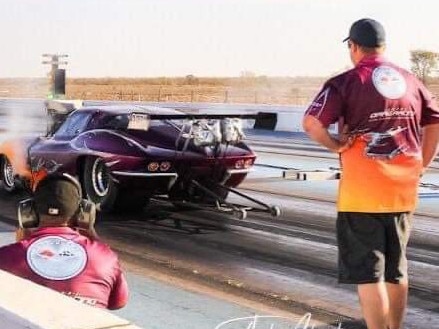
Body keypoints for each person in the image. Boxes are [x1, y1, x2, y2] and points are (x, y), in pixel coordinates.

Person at [302, 18, 439, 329]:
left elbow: (311, 123)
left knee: (369, 272)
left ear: (353, 47)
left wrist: (335, 145)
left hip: (362, 193)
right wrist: (423, 162)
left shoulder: (347, 82)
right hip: (403, 191)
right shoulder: (410, 80)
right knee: (396, 269)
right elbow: (435, 120)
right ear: (384, 47)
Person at [0, 173, 129, 310]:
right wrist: (95, 241)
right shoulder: (106, 258)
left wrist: (21, 246)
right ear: (83, 215)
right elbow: (118, 302)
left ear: (27, 213)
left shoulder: (5, 256)